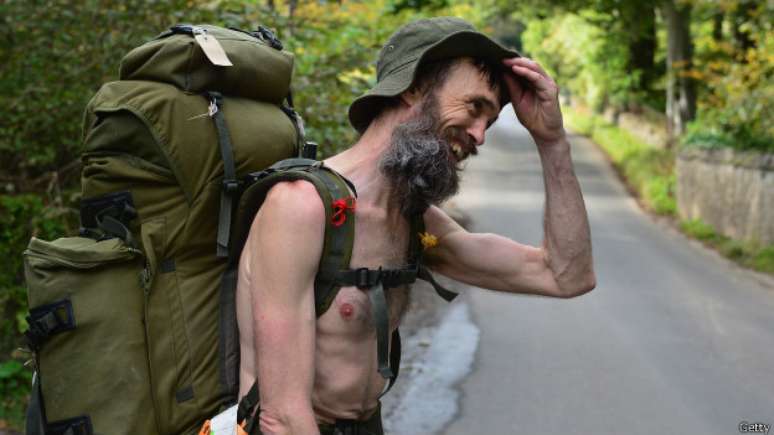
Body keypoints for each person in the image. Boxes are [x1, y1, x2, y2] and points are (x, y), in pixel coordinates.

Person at [235, 16, 595, 435]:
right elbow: (283, 417)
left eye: (490, 123)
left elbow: (567, 275)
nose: (479, 135)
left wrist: (552, 142)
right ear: (414, 87)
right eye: (474, 107)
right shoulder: (301, 207)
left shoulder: (411, 219)